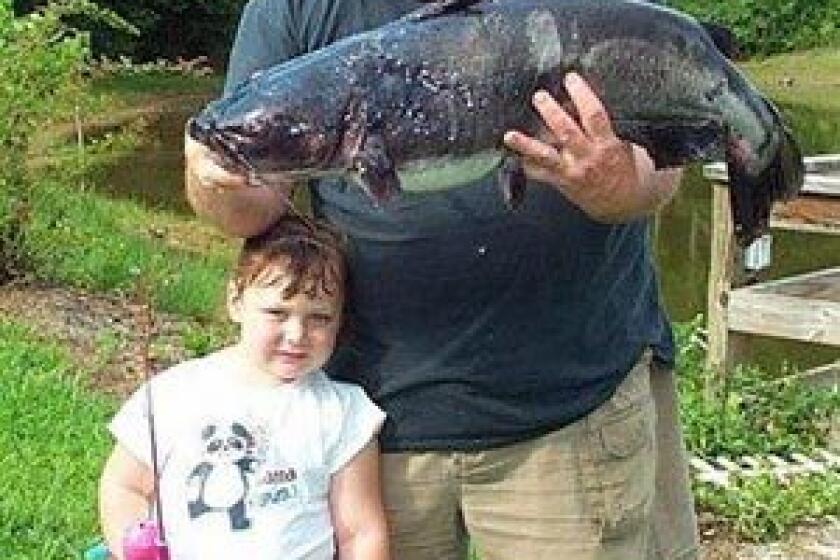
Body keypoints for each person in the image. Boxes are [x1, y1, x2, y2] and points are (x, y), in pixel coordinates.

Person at [185, 1, 699, 559]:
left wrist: (618, 185)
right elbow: (251, 203)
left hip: (571, 407)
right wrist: (216, 179)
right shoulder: (296, 7)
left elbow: (659, 161)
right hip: (365, 429)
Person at [98, 216, 389, 560]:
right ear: (236, 300)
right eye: (277, 312)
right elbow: (124, 486)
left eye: (320, 318)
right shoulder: (172, 395)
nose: (296, 334)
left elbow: (361, 532)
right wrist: (136, 547)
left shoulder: (344, 413)